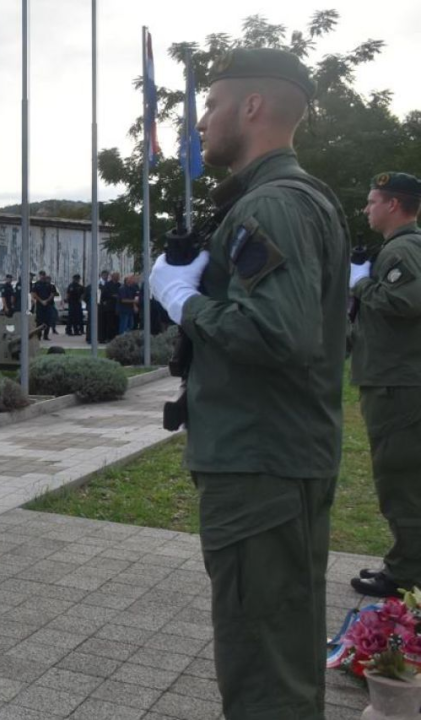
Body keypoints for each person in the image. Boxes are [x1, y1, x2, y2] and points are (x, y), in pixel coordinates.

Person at [148, 49, 347, 719]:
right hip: (273, 461)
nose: (201, 121)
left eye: (210, 105)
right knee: (278, 647)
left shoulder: (275, 206)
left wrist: (183, 302)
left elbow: (276, 335)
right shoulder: (284, 201)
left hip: (261, 466)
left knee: (263, 669)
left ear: (252, 107)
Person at [348, 172, 421, 598]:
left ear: (394, 205)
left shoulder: (403, 250)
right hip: (400, 381)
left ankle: (405, 574)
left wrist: (359, 281)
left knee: (400, 480)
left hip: (398, 385)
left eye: (372, 201)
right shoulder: (402, 248)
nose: (367, 208)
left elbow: (403, 302)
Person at [31, 270, 54, 340]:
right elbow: (34, 294)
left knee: (47, 320)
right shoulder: (36, 284)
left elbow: (52, 294)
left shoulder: (49, 284)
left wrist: (46, 301)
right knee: (39, 321)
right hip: (40, 305)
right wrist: (41, 301)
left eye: (43, 275)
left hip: (48, 305)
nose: (42, 276)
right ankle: (39, 335)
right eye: (41, 275)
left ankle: (46, 335)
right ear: (39, 275)